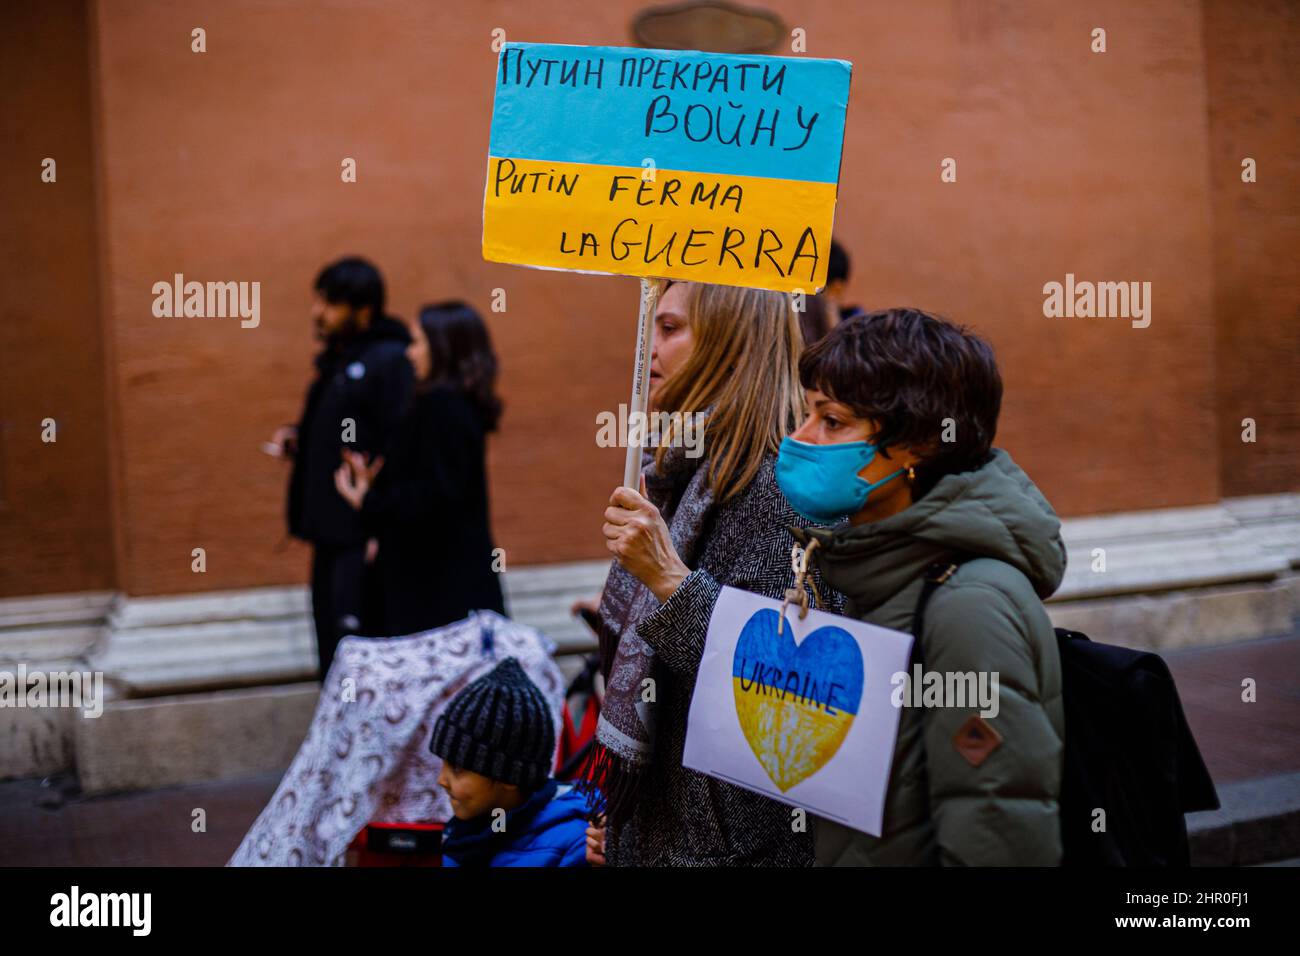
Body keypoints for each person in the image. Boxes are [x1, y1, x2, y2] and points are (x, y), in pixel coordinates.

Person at [778, 308, 1066, 865]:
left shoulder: (970, 607)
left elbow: (998, 832)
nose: (800, 439)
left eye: (831, 422)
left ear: (916, 446)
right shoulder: (877, 569)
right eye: (806, 414)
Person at [582, 280, 834, 866]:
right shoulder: (676, 481)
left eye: (670, 329)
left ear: (729, 342)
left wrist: (670, 581)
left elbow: (792, 698)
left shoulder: (774, 492)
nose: (649, 348)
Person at [274, 256, 413, 676]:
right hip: (329, 534)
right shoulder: (337, 361)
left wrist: (380, 526)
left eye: (329, 303)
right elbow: (350, 433)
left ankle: (365, 741)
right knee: (332, 653)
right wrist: (300, 439)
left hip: (362, 537)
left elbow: (400, 443)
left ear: (362, 308)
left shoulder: (388, 361)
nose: (318, 313)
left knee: (359, 654)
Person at [334, 301, 505, 635]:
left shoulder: (441, 406)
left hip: (432, 587)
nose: (409, 354)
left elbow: (434, 498)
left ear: (442, 348)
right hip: (448, 580)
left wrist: (367, 501)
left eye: (417, 342)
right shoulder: (455, 405)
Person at [430, 657, 590, 867]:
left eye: (458, 768)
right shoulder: (466, 835)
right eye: (444, 763)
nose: (441, 780)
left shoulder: (576, 844)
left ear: (509, 776)